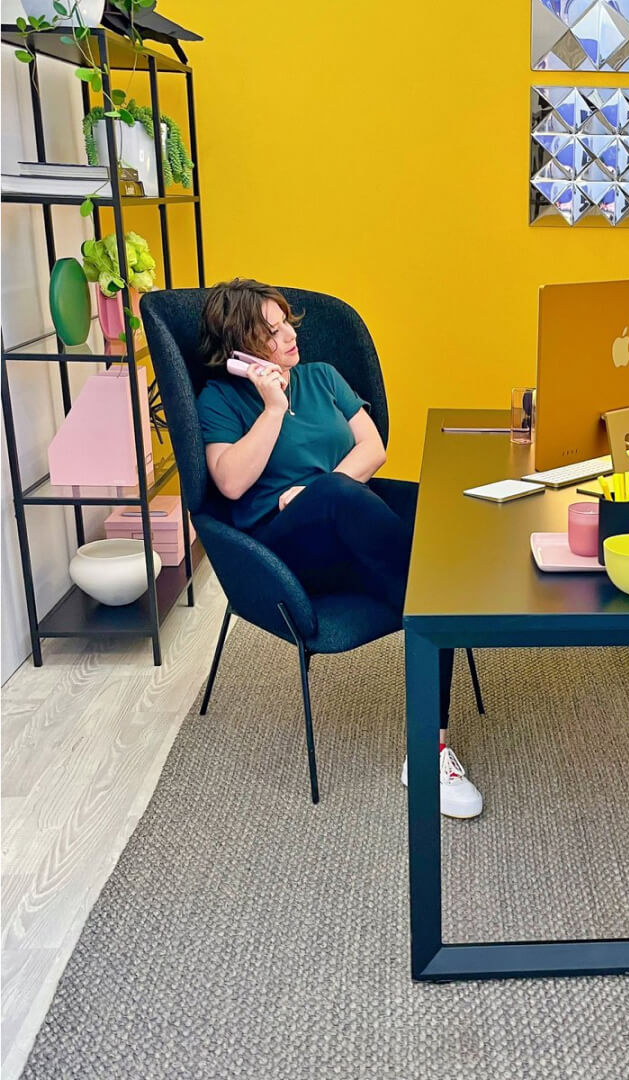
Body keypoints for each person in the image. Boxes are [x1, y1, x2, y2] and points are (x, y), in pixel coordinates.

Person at [195, 278, 482, 818]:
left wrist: (321, 490)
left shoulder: (323, 376)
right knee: (377, 531)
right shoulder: (220, 400)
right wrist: (272, 408)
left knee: (430, 517)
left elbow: (373, 448)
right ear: (239, 346)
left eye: (286, 323)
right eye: (270, 332)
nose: (289, 337)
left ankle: (429, 745)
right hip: (284, 555)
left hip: (349, 524)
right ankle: (454, 606)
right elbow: (230, 483)